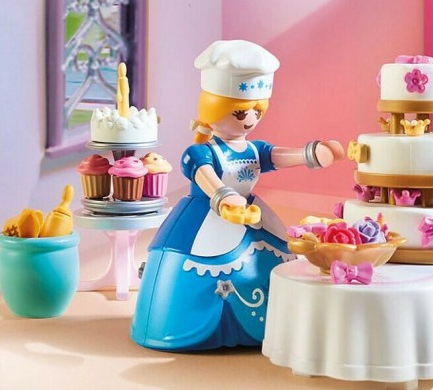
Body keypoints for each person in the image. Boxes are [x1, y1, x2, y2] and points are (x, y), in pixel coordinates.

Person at [131, 40, 344, 351]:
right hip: (209, 217)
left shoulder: (254, 149)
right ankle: (197, 326)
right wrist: (223, 197)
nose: (250, 118)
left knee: (275, 254)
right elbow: (204, 175)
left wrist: (312, 154)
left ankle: (266, 327)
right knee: (203, 264)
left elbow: (277, 156)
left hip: (251, 214)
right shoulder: (201, 152)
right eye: (241, 111)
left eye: (258, 111)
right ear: (213, 108)